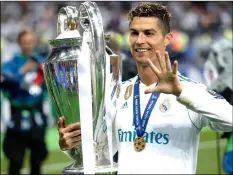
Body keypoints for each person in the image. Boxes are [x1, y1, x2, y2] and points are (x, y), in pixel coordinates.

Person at [57, 2, 233, 174]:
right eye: (134, 33)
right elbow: (102, 153)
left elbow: (229, 120)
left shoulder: (189, 90)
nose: (140, 40)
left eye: (149, 33)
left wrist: (180, 92)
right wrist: (71, 147)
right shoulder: (116, 93)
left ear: (167, 39)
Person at [1, 29, 48, 174]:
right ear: (19, 43)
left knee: (38, 157)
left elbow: (48, 87)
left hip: (37, 114)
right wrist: (22, 71)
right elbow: (4, 80)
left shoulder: (40, 63)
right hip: (17, 116)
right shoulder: (11, 63)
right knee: (15, 159)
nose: (28, 45)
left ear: (34, 42)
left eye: (30, 42)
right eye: (24, 42)